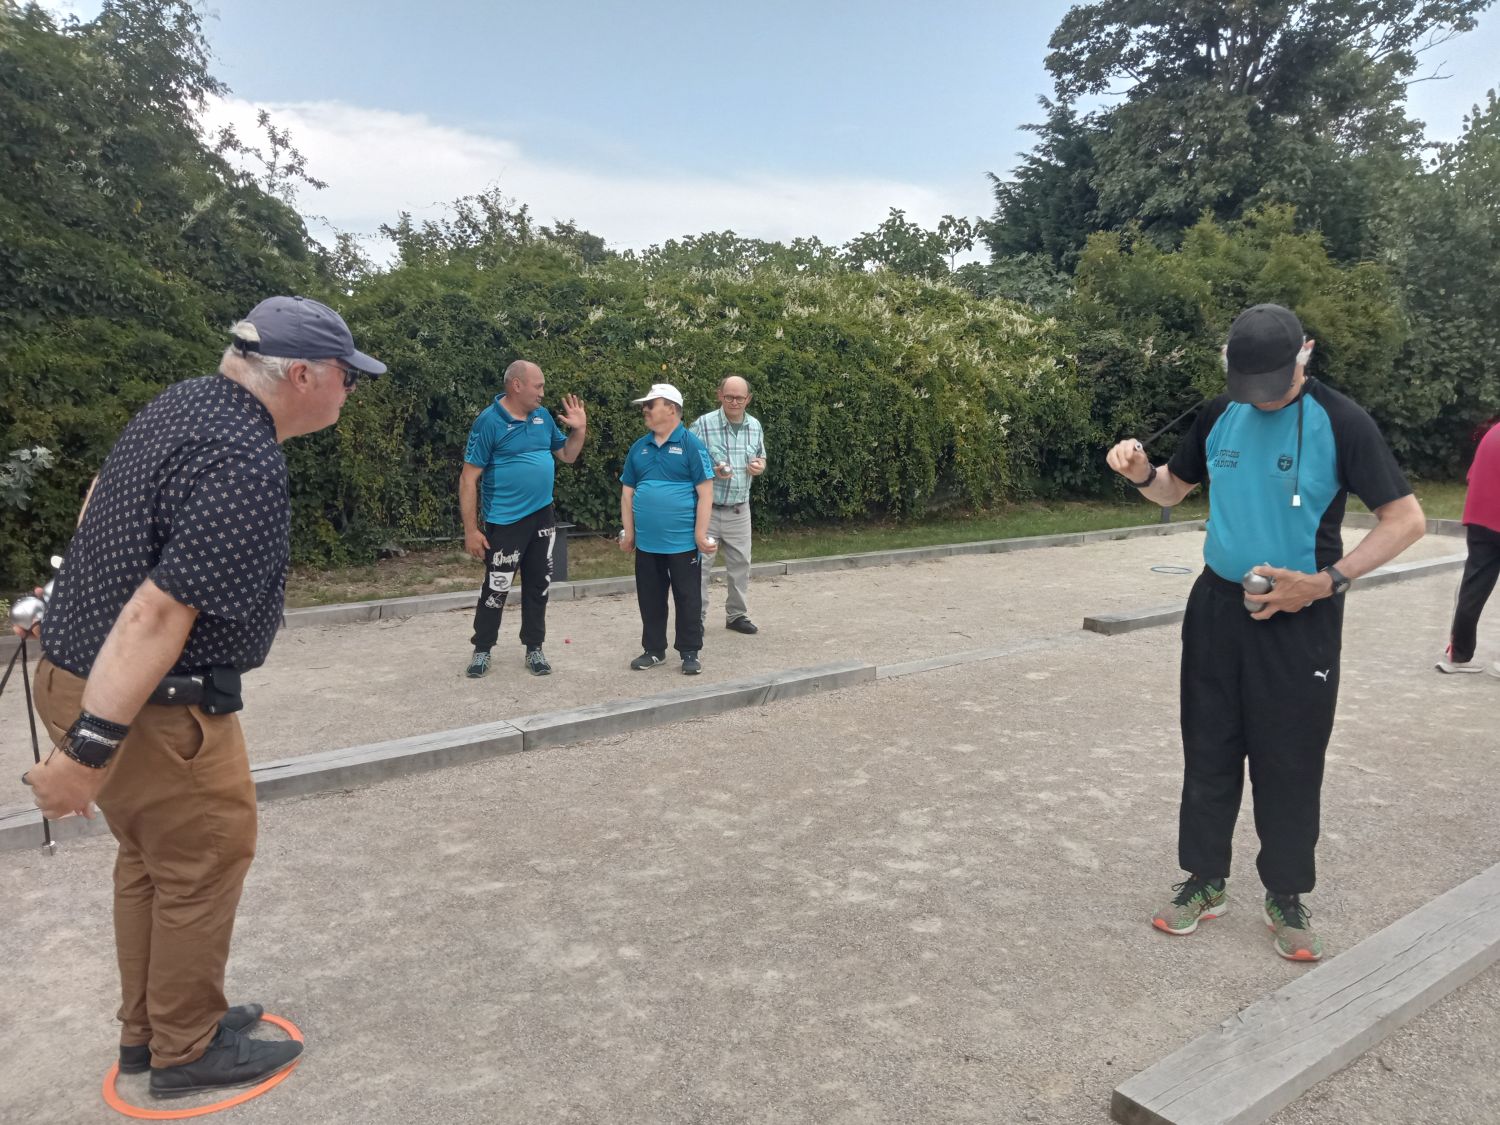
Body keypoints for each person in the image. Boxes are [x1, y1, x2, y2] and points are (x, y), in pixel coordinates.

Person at [20, 296, 385, 1097]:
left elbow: (96, 499)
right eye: (346, 379)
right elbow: (158, 612)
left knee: (152, 860)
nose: (349, 392)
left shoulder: (183, 402)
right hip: (150, 702)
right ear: (301, 375)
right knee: (206, 853)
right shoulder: (243, 458)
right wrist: (89, 748)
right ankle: (186, 1050)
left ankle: (151, 1030)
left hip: (76, 664)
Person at [1105, 303, 1425, 962]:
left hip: (1300, 613)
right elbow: (1172, 490)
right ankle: (1204, 880)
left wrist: (1328, 579)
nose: (1261, 397)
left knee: (1290, 758)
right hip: (1217, 606)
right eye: (1247, 382)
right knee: (1210, 747)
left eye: (1273, 382)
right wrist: (1140, 473)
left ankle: (1286, 892)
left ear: (1305, 353)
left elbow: (1407, 519)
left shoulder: (1342, 422)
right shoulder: (1219, 412)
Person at [459, 360, 587, 678]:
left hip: (542, 516)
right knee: (497, 586)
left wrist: (580, 429)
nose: (543, 392)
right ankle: (482, 649)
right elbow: (467, 478)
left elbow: (568, 456)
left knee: (538, 585)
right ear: (517, 385)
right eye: (538, 386)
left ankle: (534, 648)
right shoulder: (488, 422)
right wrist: (471, 530)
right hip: (505, 520)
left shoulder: (542, 417)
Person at [619, 382, 717, 674]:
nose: (645, 410)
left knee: (688, 597)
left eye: (651, 405)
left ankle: (689, 651)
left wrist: (700, 535)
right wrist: (629, 532)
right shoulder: (639, 448)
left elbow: (706, 493)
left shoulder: (691, 445)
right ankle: (653, 650)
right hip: (648, 543)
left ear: (671, 409)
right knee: (650, 597)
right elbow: (627, 493)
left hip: (683, 543)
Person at [690, 375, 767, 634]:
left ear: (748, 399)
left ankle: (736, 615)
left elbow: (761, 457)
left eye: (740, 398)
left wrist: (759, 466)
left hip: (739, 509)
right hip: (707, 509)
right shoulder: (703, 424)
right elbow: (686, 461)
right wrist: (711, 470)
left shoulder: (755, 426)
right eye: (729, 396)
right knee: (700, 567)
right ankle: (695, 620)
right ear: (719, 395)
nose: (735, 402)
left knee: (741, 565)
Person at [1435, 419, 1500, 676]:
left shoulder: (1493, 432)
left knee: (1474, 586)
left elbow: (1472, 474)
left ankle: (1458, 655)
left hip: (1479, 518)